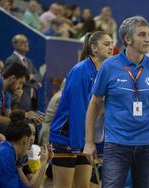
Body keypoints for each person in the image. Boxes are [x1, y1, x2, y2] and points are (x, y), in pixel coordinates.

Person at [84, 16, 149, 188]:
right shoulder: (109, 66)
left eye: (148, 34)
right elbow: (94, 103)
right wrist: (89, 142)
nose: (148, 39)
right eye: (142, 35)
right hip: (117, 143)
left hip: (148, 143)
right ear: (127, 39)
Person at [49, 31, 113, 188]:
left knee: (83, 186)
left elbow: (100, 112)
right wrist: (80, 145)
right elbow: (77, 111)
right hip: (67, 137)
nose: (111, 47)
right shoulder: (81, 71)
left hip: (85, 139)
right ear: (94, 48)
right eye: (107, 44)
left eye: (112, 44)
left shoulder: (102, 73)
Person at [0, 115, 53, 188]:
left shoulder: (9, 151)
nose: (31, 139)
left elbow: (29, 185)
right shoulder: (5, 155)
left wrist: (45, 162)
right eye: (30, 135)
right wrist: (44, 163)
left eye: (34, 134)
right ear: (25, 139)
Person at [0, 63, 29, 134]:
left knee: (28, 126)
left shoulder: (7, 91)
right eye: (20, 83)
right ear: (12, 78)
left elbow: (8, 115)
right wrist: (16, 121)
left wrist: (16, 100)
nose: (20, 87)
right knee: (19, 131)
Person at [5, 34, 43, 111]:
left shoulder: (28, 61)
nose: (26, 44)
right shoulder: (12, 60)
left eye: (26, 42)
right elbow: (13, 80)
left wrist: (31, 77)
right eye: (22, 42)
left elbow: (39, 76)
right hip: (18, 102)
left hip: (31, 100)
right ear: (15, 44)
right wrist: (31, 79)